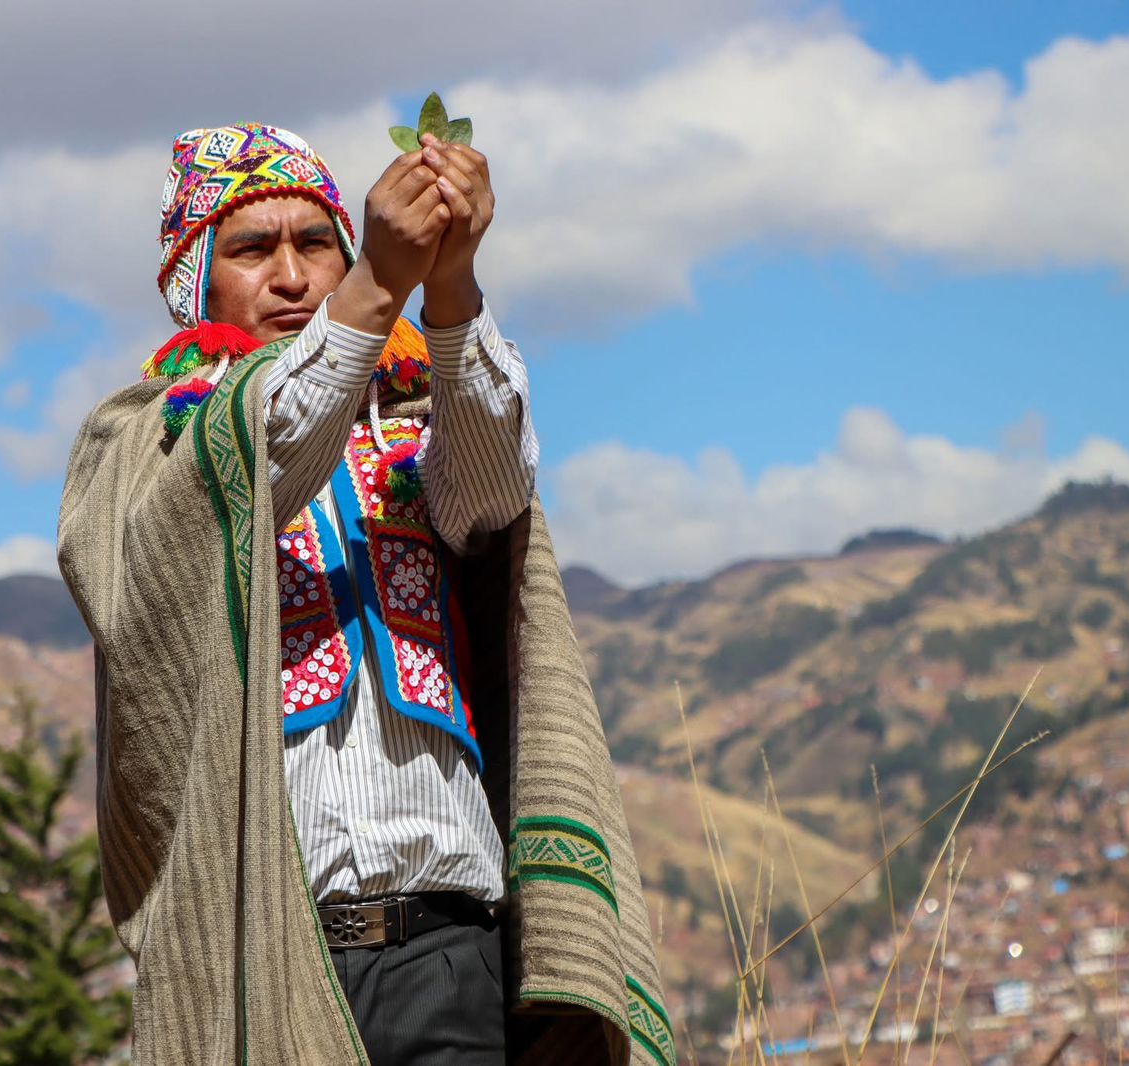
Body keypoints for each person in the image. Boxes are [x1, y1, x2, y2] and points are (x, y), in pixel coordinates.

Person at [58, 124, 673, 1066]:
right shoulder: (151, 446)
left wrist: (452, 283)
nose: (293, 277)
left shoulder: (418, 416)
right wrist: (376, 286)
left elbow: (494, 489)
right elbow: (258, 457)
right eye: (253, 250)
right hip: (263, 957)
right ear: (196, 283)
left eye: (317, 245)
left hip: (445, 949)